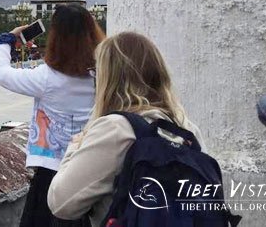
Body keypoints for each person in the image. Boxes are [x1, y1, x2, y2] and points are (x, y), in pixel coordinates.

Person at [48, 32, 204, 225]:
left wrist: (76, 144)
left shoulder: (116, 129)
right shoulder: (186, 129)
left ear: (109, 78)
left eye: (95, 72)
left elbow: (61, 203)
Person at [0, 3, 104, 227]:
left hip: (52, 173)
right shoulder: (104, 74)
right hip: (93, 169)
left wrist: (7, 41)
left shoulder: (46, 78)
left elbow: (0, 72)